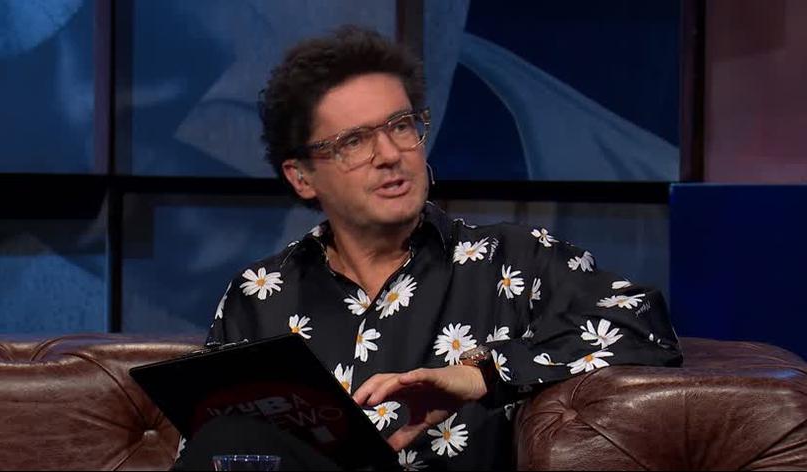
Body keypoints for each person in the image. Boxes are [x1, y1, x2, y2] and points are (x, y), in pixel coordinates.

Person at [178, 25, 682, 470]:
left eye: (401, 125)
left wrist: (485, 372)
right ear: (302, 177)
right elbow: (205, 449)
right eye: (354, 141)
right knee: (228, 439)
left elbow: (643, 321)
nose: (390, 154)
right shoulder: (260, 295)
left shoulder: (514, 261)